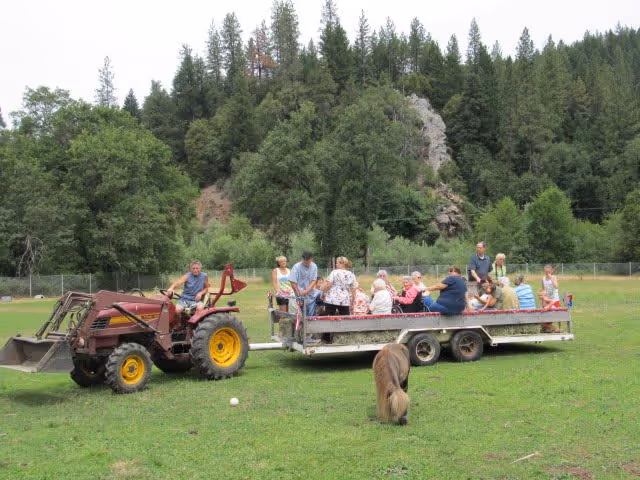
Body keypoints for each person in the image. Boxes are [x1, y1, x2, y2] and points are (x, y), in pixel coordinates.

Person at [289, 251, 319, 317]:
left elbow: (313, 280)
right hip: (299, 294)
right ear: (302, 259)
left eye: (308, 261)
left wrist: (306, 291)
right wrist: (299, 293)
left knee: (311, 315)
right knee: (302, 315)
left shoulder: (314, 266)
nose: (306, 263)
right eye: (305, 261)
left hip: (310, 294)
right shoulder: (296, 267)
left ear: (311, 259)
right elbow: (293, 282)